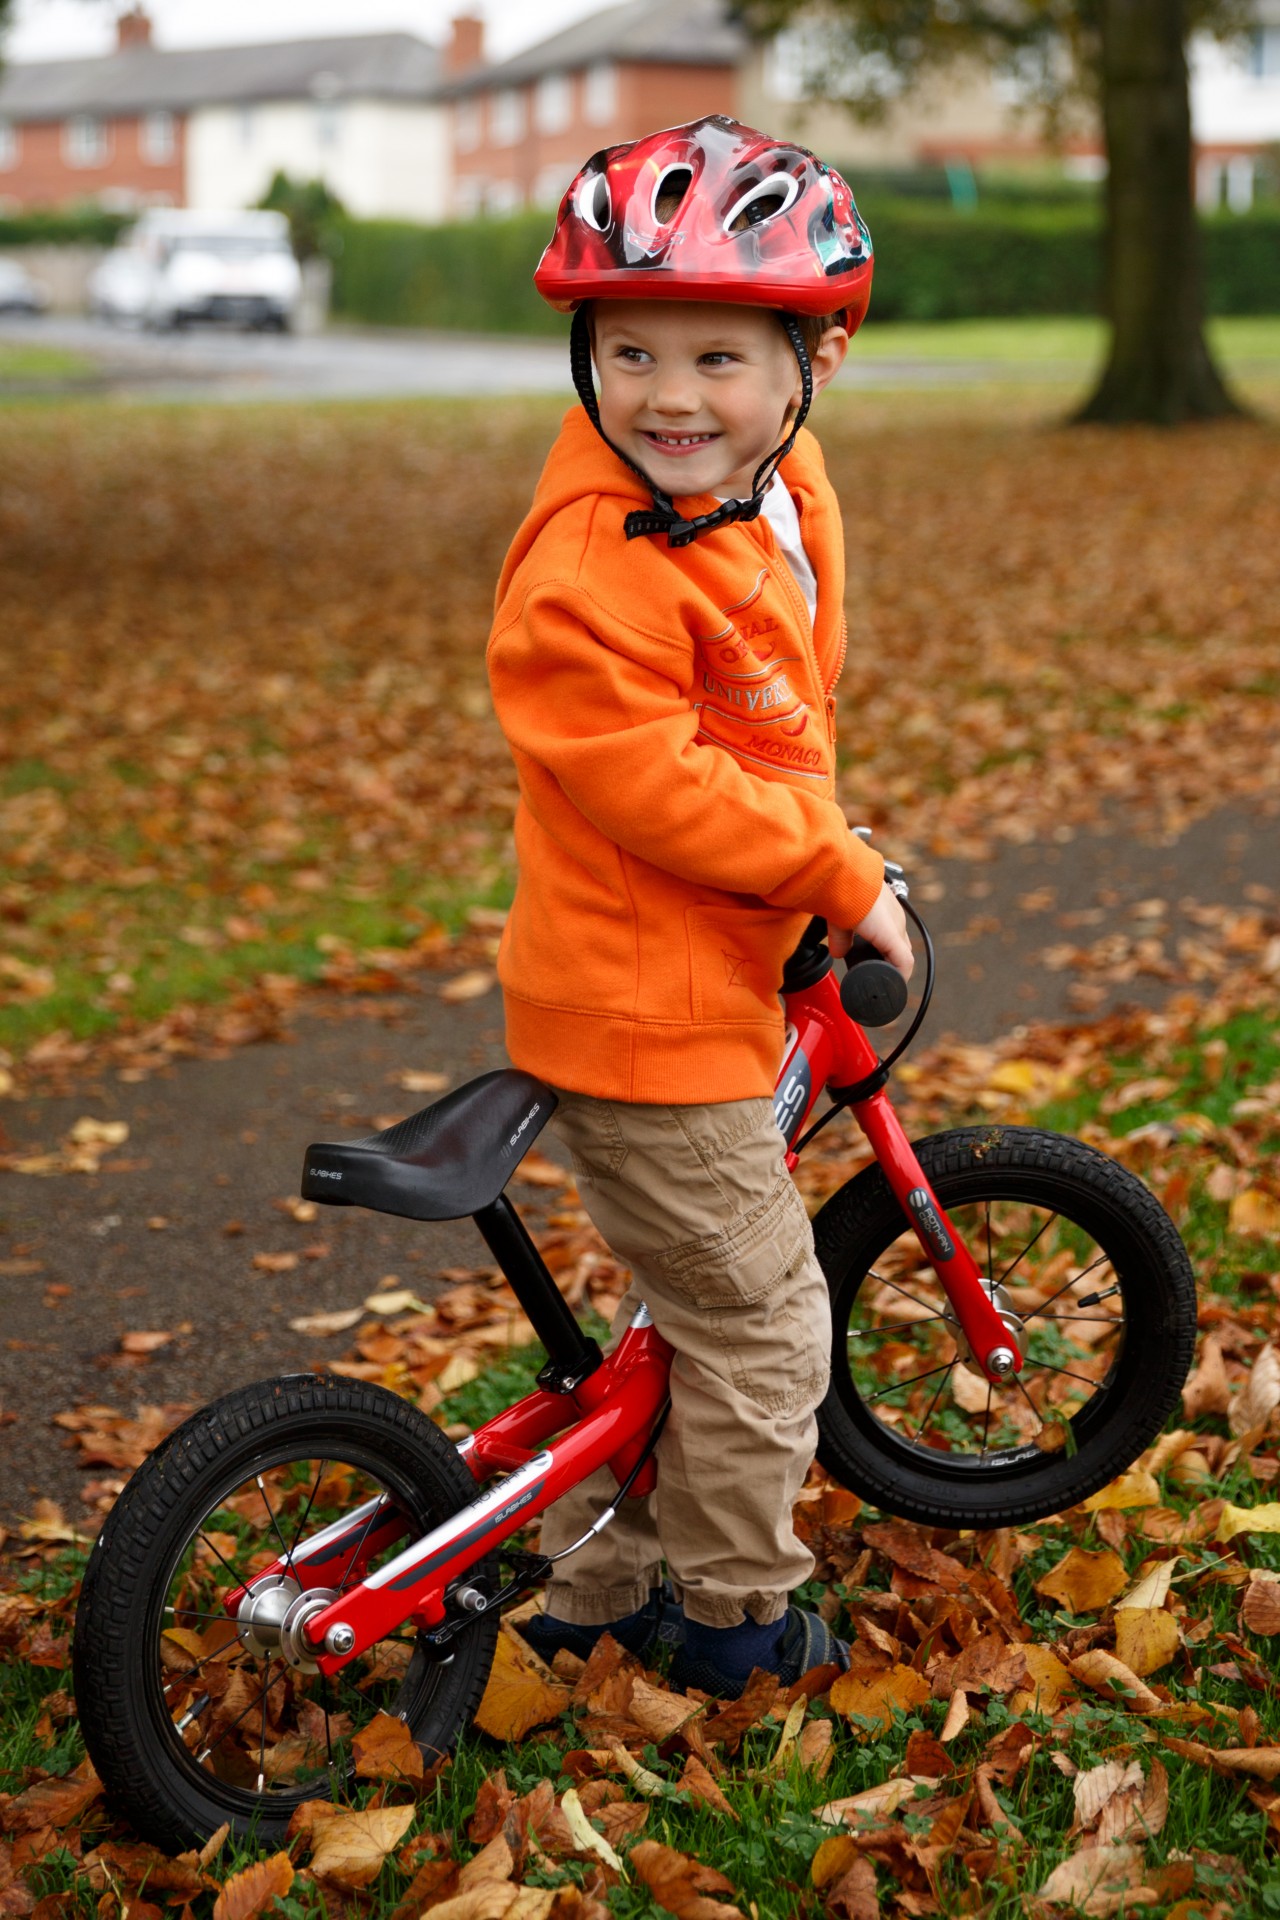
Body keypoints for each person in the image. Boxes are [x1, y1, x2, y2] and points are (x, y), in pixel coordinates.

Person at [486, 115, 912, 1699]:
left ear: (815, 364)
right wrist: (835, 871)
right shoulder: (590, 571)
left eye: (720, 355)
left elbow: (774, 700)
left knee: (693, 1299)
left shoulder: (774, 482)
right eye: (632, 350)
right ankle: (731, 1615)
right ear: (586, 355)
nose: (671, 395)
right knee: (762, 1322)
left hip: (706, 965)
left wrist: (816, 830)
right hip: (645, 1003)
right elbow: (658, 780)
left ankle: (601, 1576)